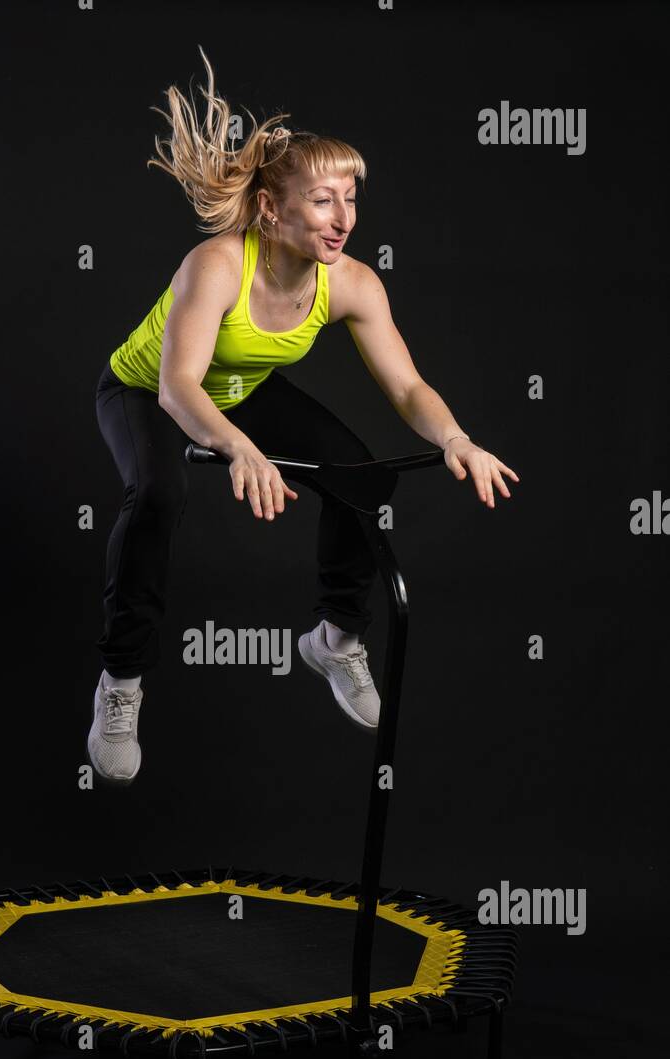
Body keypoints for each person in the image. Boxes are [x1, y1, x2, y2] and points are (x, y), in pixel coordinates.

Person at [89, 46, 519, 786]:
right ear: (271, 207)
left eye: (351, 198)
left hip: (241, 387)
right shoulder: (217, 264)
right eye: (324, 200)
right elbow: (179, 388)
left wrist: (456, 437)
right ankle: (121, 680)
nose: (343, 218)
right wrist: (239, 451)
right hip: (145, 388)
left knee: (363, 478)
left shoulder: (349, 283)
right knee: (159, 493)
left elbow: (409, 388)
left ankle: (333, 637)